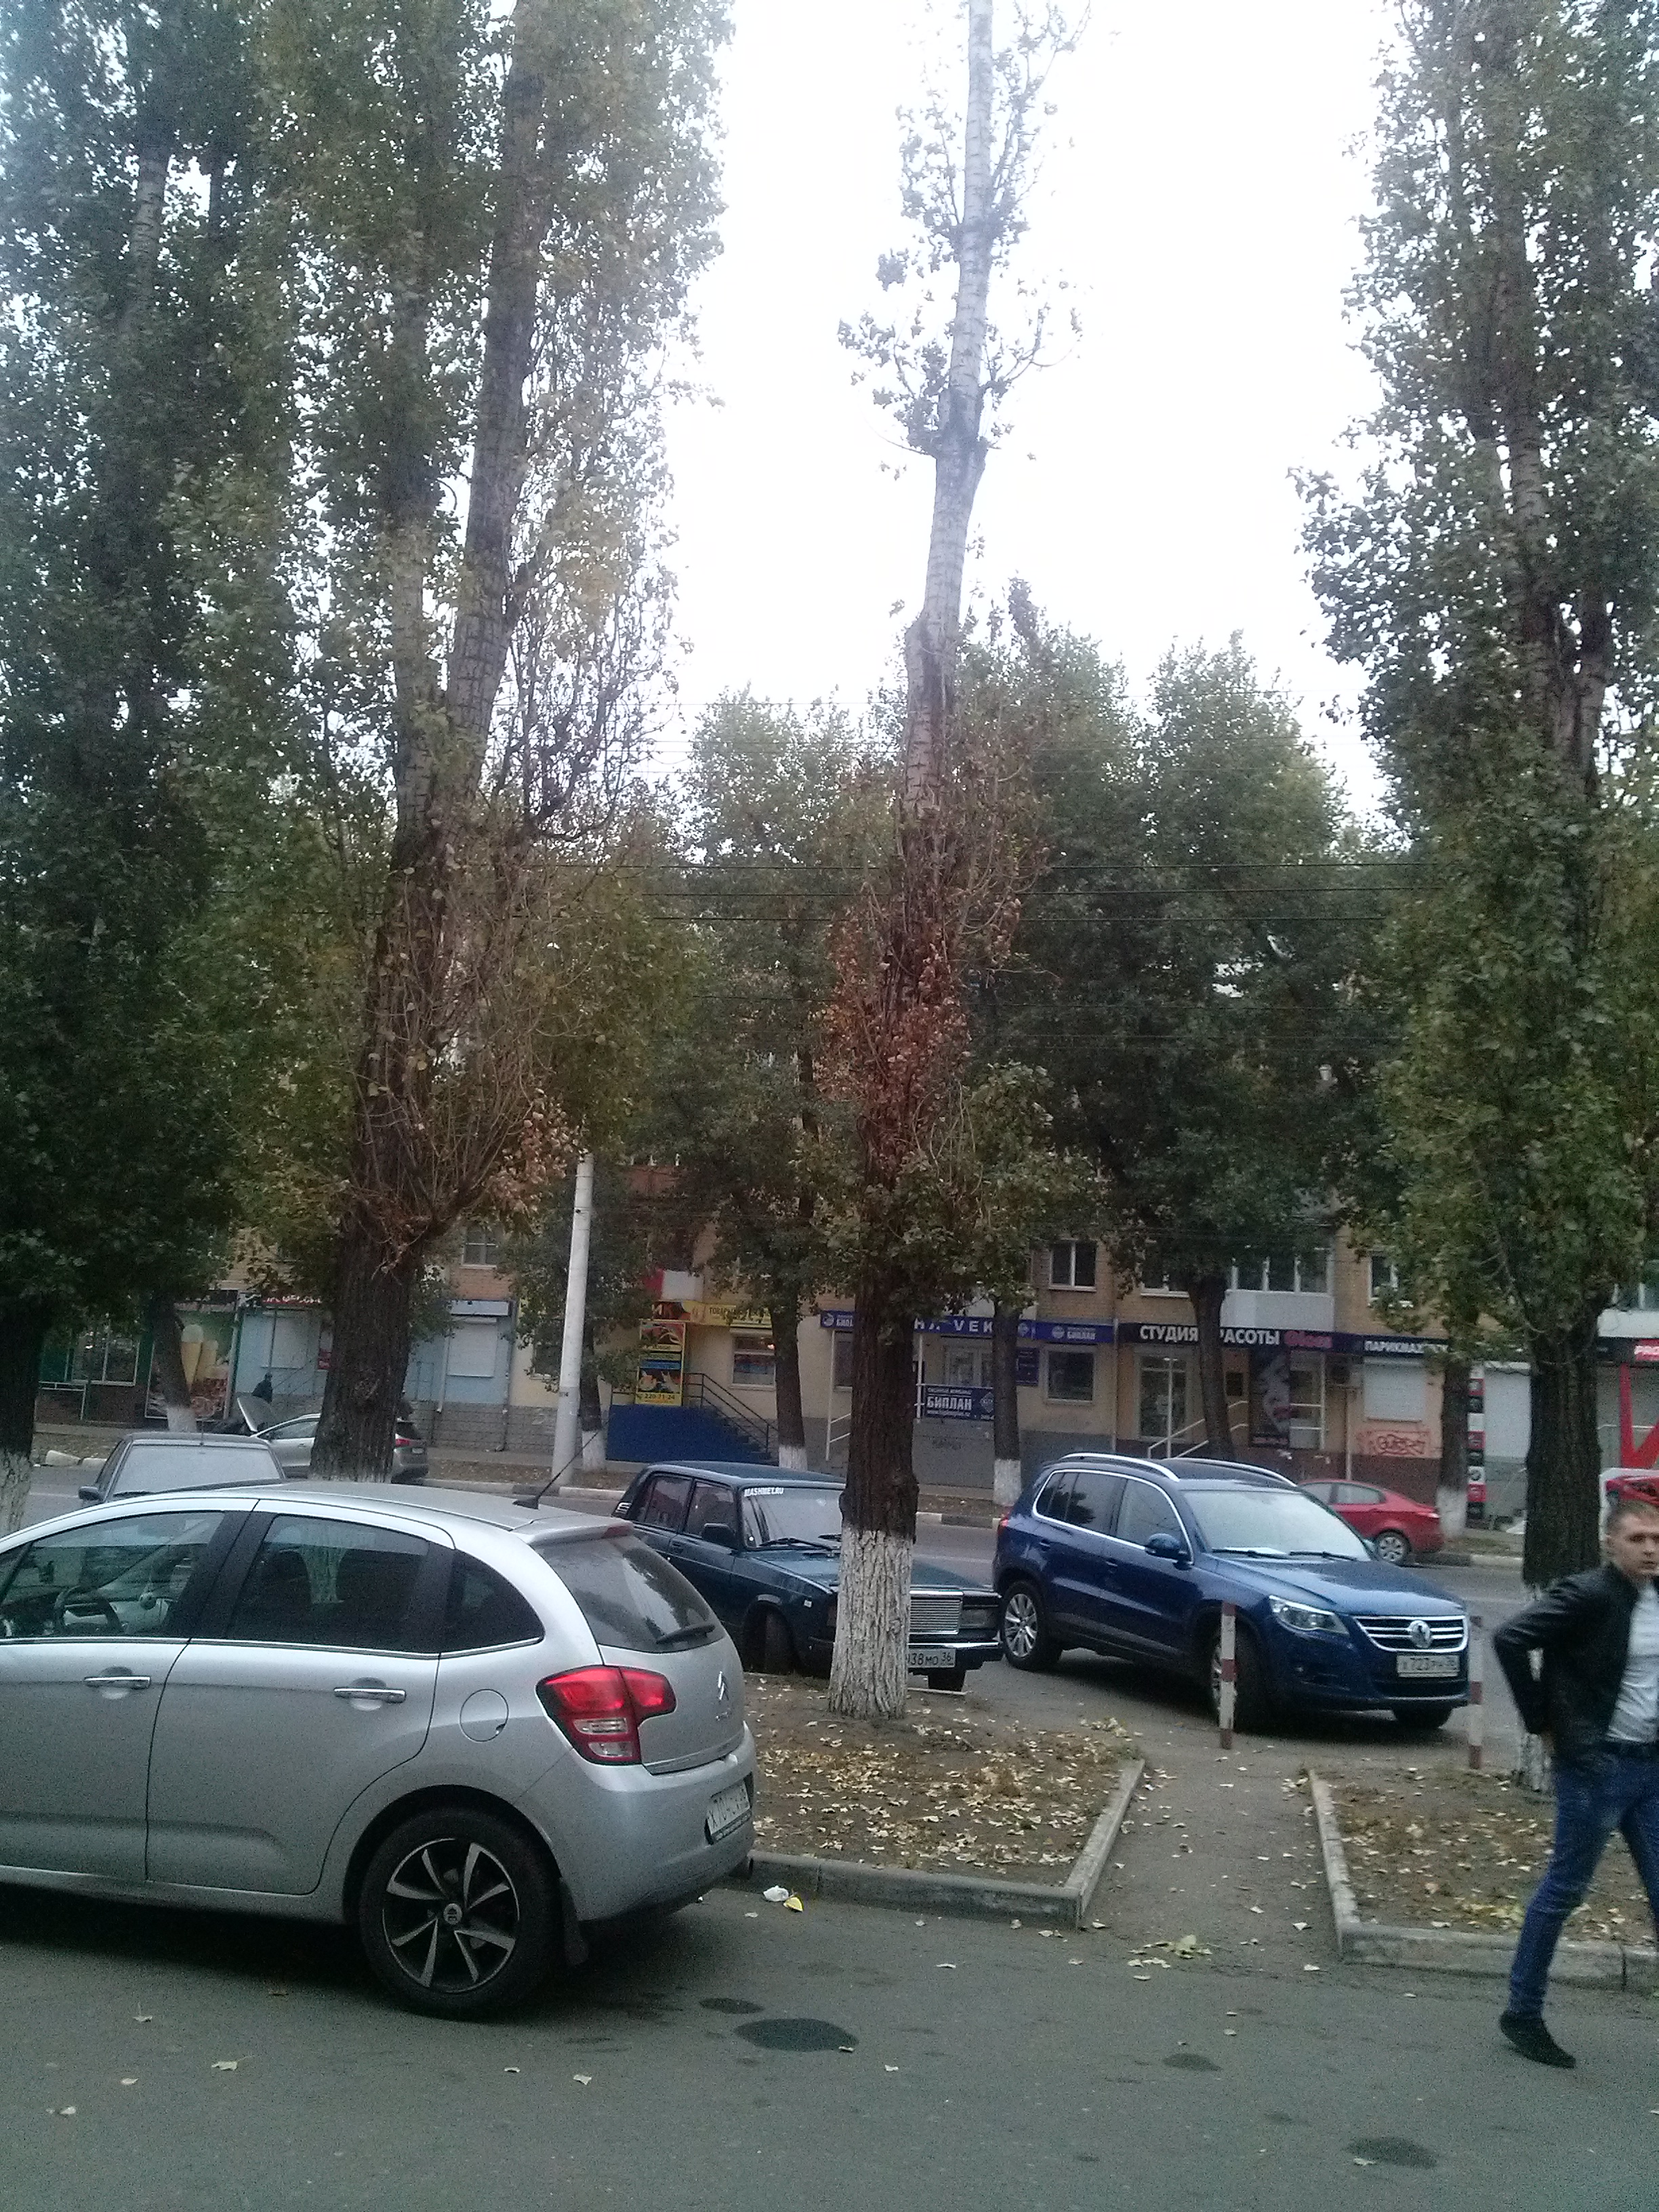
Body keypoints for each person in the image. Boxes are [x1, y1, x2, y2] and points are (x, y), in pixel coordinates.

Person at [1492, 1492, 1659, 2066]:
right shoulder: (1588, 1595)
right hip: (1595, 1767)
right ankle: (1522, 2012)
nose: (1650, 1549)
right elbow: (1510, 1639)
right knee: (1565, 1890)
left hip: (1650, 1768)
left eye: (1657, 1539)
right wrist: (1541, 1721)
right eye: (1637, 1539)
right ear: (1611, 1544)